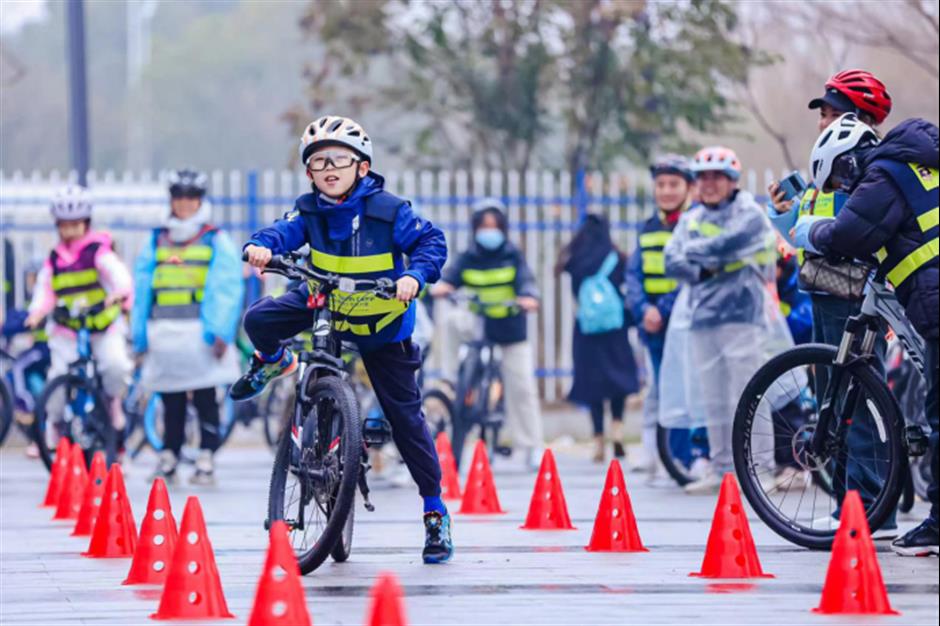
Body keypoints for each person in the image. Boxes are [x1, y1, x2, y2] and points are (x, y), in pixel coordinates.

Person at [234, 115, 452, 564]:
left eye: (339, 159)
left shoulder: (389, 210)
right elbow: (282, 231)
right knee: (258, 320)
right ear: (309, 173)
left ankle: (433, 510)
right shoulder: (309, 209)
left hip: (382, 325)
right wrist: (261, 245)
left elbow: (432, 242)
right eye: (317, 162)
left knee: (405, 419)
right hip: (326, 305)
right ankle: (275, 361)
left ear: (363, 167)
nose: (328, 168)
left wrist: (414, 275)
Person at [794, 113, 939, 556]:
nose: (845, 186)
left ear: (853, 157)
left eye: (841, 174)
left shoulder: (883, 173)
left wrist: (811, 232)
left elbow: (851, 233)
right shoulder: (916, 165)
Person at [768, 69, 899, 536]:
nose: (823, 121)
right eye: (823, 114)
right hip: (825, 293)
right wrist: (788, 214)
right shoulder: (828, 171)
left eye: (830, 112)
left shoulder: (864, 170)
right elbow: (808, 238)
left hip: (853, 299)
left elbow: (852, 235)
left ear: (858, 117)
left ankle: (868, 503)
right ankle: (855, 501)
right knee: (834, 401)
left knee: (856, 402)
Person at [661, 146, 787, 494]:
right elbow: (671, 260)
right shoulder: (692, 218)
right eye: (703, 177)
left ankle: (760, 470)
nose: (710, 184)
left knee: (749, 395)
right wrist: (704, 264)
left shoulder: (749, 213)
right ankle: (720, 469)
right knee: (712, 399)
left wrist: (697, 253)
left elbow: (733, 243)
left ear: (733, 180)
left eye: (717, 176)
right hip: (703, 319)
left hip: (743, 317)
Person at [131, 169, 244, 485]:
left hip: (200, 334)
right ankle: (170, 454)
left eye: (190, 198)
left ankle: (206, 456)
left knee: (206, 396)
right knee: (171, 397)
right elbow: (142, 289)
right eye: (179, 197)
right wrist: (139, 334)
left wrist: (220, 331)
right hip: (164, 333)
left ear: (200, 201)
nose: (184, 204)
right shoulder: (156, 239)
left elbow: (226, 286)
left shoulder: (215, 239)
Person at [431, 199, 544, 469]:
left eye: (494, 227)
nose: (488, 232)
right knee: (451, 320)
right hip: (478, 324)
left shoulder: (512, 255)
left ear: (503, 229)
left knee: (522, 389)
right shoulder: (469, 256)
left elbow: (527, 281)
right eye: (483, 227)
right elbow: (450, 276)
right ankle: (450, 378)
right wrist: (443, 286)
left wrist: (528, 297)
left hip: (509, 329)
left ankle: (532, 447)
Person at [24, 185, 133, 452]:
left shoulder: (98, 250)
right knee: (58, 378)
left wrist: (119, 294)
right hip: (67, 329)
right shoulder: (53, 259)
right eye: (65, 225)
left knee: (115, 366)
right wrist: (36, 313)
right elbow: (45, 290)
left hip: (101, 326)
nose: (70, 231)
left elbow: (120, 276)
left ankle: (112, 404)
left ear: (86, 223)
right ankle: (55, 424)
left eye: (76, 224)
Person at [624, 155, 694, 474]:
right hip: (651, 325)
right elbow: (633, 274)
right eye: (661, 185)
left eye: (673, 184)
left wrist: (662, 310)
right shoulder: (648, 227)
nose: (666, 191)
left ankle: (682, 458)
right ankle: (658, 454)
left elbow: (688, 276)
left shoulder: (692, 224)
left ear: (688, 188)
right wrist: (643, 310)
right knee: (660, 390)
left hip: (682, 323)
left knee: (684, 390)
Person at [557, 213, 639, 462]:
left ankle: (598, 439)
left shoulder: (576, 261)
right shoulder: (617, 258)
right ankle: (617, 429)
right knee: (617, 383)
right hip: (615, 329)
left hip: (587, 330)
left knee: (593, 386)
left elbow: (576, 295)